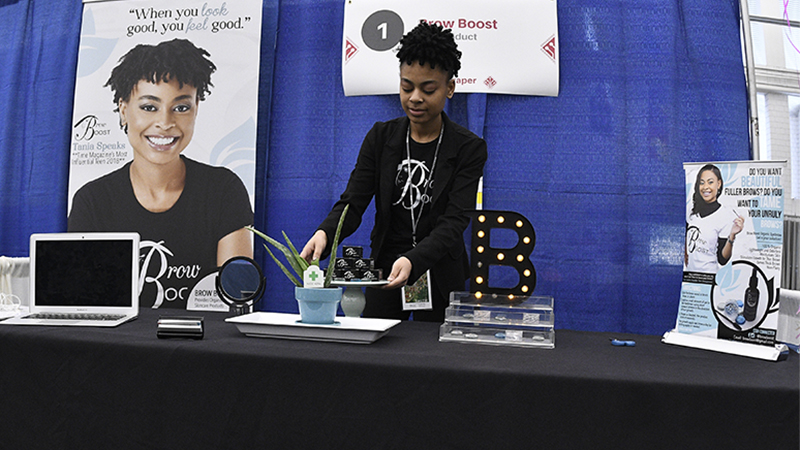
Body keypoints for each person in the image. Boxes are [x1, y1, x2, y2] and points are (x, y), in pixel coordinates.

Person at [300, 22, 488, 322]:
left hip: (439, 274)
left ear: (450, 88)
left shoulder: (469, 148)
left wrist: (414, 260)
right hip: (384, 274)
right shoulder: (380, 138)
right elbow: (354, 201)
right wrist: (326, 232)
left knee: (435, 361)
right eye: (406, 87)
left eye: (428, 89)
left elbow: (455, 221)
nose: (415, 98)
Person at [68, 39, 253, 308]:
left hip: (204, 348)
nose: (165, 123)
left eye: (181, 107)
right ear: (123, 110)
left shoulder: (224, 190)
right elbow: (83, 304)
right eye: (149, 107)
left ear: (196, 109)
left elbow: (236, 303)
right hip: (116, 349)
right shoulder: (93, 201)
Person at [684, 164, 744, 273]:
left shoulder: (724, 215)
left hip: (708, 279)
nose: (706, 187)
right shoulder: (691, 211)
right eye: (702, 183)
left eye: (710, 182)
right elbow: (686, 239)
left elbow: (722, 259)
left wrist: (732, 235)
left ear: (719, 184)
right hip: (690, 280)